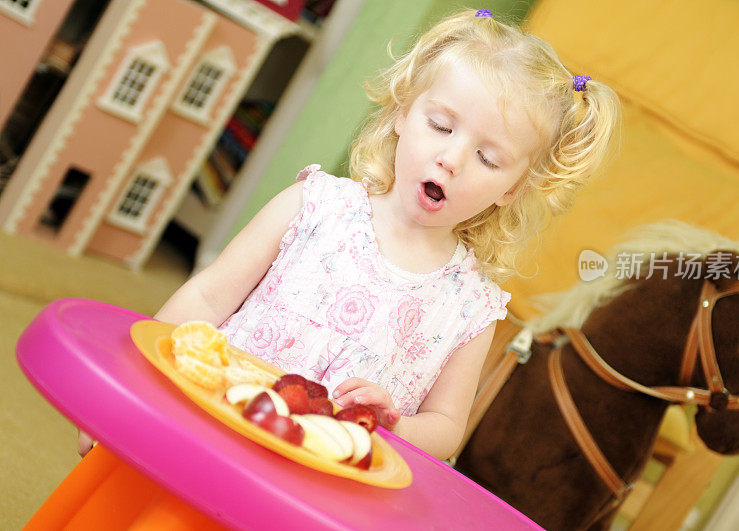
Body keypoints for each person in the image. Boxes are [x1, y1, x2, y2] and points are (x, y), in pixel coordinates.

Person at [78, 9, 620, 460]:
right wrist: (128, 390)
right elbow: (206, 295)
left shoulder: (471, 307)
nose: (451, 159)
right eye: (440, 125)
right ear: (401, 116)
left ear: (513, 188)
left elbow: (448, 425)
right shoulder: (313, 206)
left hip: (319, 474)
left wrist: (400, 428)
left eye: (487, 157)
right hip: (212, 420)